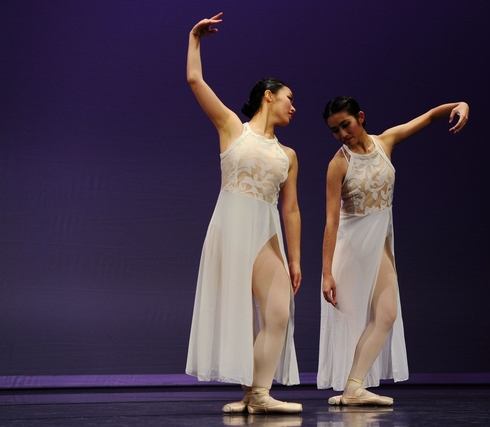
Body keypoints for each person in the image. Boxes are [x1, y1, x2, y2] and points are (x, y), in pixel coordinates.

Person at [184, 13, 303, 414]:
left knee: (278, 311)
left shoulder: (288, 155)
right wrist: (195, 39)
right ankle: (251, 394)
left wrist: (295, 259)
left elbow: (291, 209)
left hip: (266, 231)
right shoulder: (233, 128)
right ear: (269, 96)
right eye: (288, 98)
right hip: (233, 225)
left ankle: (260, 394)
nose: (293, 106)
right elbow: (195, 81)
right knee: (241, 312)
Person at [317, 96, 469, 405]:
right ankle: (352, 388)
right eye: (335, 130)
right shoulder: (338, 164)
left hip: (380, 241)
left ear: (360, 117)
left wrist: (460, 105)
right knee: (361, 319)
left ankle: (354, 388)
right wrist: (326, 272)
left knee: (386, 315)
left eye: (346, 125)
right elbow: (331, 221)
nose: (342, 134)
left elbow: (428, 117)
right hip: (354, 244)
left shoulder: (386, 142)